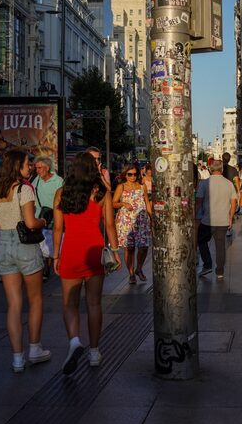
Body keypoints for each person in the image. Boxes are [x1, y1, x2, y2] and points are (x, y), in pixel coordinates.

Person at [53, 152, 121, 374]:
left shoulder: (61, 193)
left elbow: (57, 228)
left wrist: (55, 255)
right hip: (94, 252)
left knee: (69, 304)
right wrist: (115, 250)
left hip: (70, 252)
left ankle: (74, 341)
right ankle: (94, 351)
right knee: (94, 304)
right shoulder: (101, 193)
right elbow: (110, 225)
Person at [0, 149, 52, 372]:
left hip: (3, 245)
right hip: (25, 246)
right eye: (27, 163)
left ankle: (17, 358)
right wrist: (44, 220)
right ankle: (35, 348)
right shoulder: (25, 189)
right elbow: (30, 223)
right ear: (17, 166)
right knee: (35, 299)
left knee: (13, 305)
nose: (31, 166)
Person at [195, 159, 238, 279]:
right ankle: (220, 271)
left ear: (210, 169)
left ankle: (207, 264)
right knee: (220, 246)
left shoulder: (204, 183)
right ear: (222, 170)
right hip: (223, 220)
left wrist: (195, 216)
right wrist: (230, 218)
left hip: (207, 220)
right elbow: (233, 202)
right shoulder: (229, 183)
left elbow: (198, 202)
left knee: (201, 241)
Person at [112, 164, 152, 284]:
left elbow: (147, 203)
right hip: (126, 221)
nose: (133, 177)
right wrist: (124, 204)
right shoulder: (121, 187)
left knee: (144, 247)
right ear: (125, 174)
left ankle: (139, 269)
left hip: (142, 220)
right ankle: (131, 273)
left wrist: (151, 218)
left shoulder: (142, 186)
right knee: (129, 249)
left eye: (135, 174)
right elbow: (113, 203)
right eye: (130, 174)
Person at [31, 156, 63, 280]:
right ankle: (45, 267)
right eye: (36, 168)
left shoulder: (58, 181)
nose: (37, 170)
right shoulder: (36, 180)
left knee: (51, 240)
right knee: (41, 241)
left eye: (40, 167)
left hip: (55, 215)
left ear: (47, 167)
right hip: (40, 215)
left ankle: (50, 263)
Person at [221, 152, 241, 236]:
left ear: (222, 158)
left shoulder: (219, 168)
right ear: (229, 159)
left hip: (220, 191)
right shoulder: (233, 169)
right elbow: (236, 181)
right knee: (230, 210)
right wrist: (238, 192)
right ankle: (229, 228)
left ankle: (222, 226)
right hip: (230, 192)